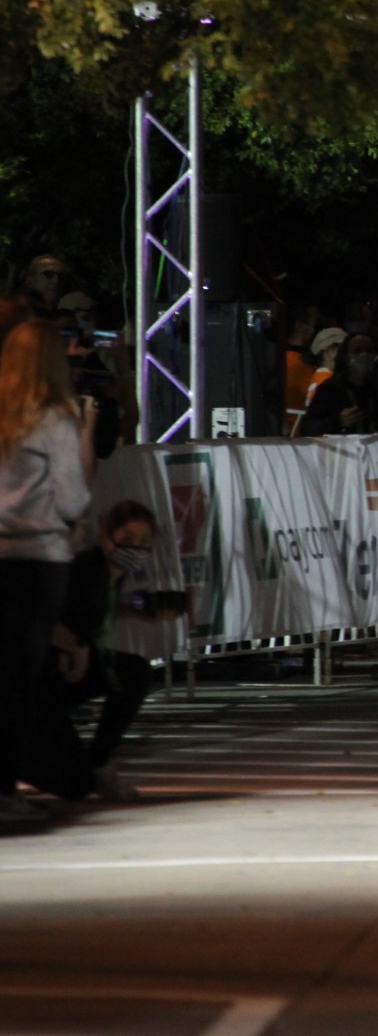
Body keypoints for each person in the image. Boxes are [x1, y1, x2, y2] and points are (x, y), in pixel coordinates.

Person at [0, 307, 96, 828]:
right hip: (36, 556)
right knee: (17, 679)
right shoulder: (54, 417)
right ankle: (4, 788)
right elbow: (72, 495)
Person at [23, 501, 180, 801]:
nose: (136, 548)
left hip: (63, 675)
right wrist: (77, 646)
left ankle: (98, 762)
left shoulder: (110, 574)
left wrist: (140, 610)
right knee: (73, 784)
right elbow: (45, 615)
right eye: (129, 539)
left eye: (145, 542)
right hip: (40, 682)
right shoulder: (86, 569)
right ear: (106, 536)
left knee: (132, 672)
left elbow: (96, 609)